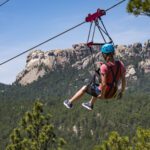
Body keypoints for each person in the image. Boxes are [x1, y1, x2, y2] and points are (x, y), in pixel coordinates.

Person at [63, 43, 126, 110]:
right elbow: (123, 80)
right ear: (113, 53)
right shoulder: (120, 64)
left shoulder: (104, 67)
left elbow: (104, 84)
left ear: (104, 54)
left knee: (85, 87)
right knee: (97, 86)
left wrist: (102, 95)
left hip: (105, 94)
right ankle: (90, 104)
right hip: (113, 93)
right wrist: (121, 92)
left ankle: (69, 102)